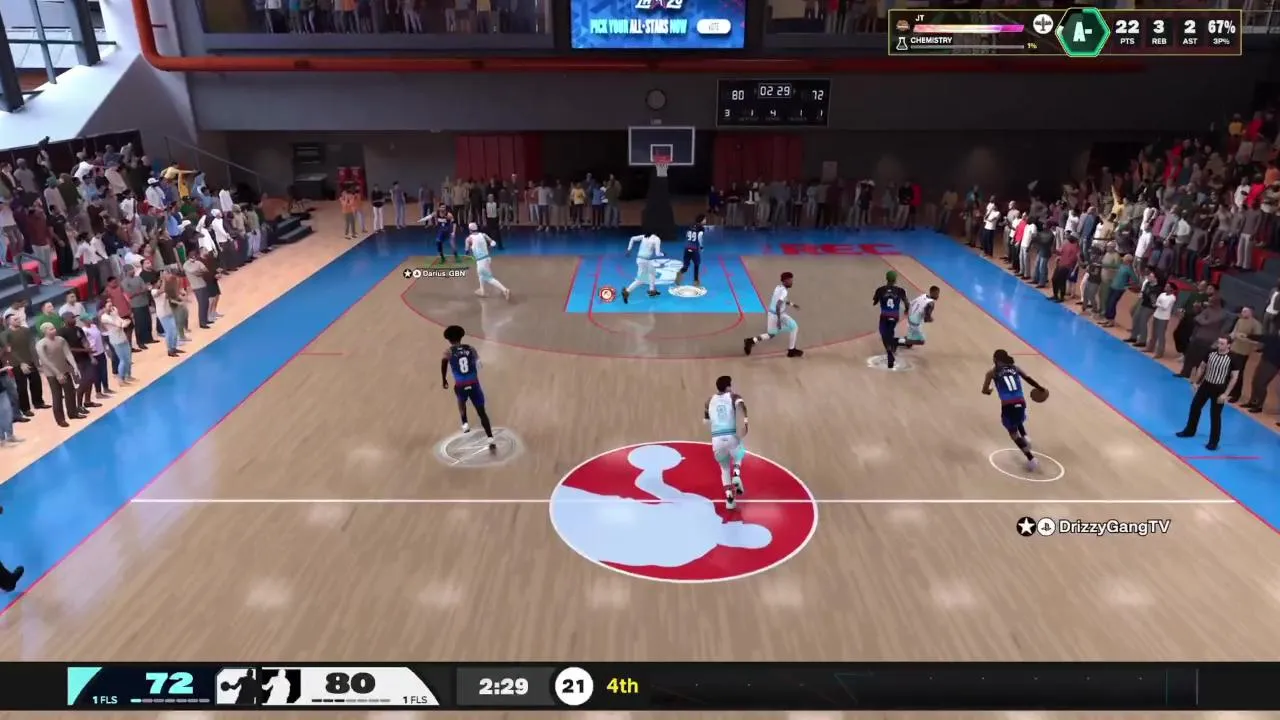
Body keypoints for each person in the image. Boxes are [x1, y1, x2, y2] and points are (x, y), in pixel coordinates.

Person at [981, 349, 1048, 472]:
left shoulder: (992, 372)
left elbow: (984, 390)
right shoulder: (1015, 368)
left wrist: (989, 391)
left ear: (995, 359)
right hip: (1021, 402)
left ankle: (1031, 459)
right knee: (1018, 418)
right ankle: (1025, 436)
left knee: (1013, 433)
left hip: (1007, 405)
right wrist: (1040, 388)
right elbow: (1028, 379)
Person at [1177, 336, 1240, 451]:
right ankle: (1190, 430)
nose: (1219, 345)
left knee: (1215, 415)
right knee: (1195, 407)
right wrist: (1196, 382)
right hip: (1206, 385)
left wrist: (1225, 394)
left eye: (1222, 343)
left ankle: (1213, 442)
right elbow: (1202, 367)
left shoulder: (1233, 358)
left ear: (1229, 345)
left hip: (1220, 388)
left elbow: (1234, 377)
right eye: (1219, 343)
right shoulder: (1211, 353)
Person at [440, 325, 496, 450]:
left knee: (460, 400)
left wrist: (444, 379)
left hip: (461, 385)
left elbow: (443, 363)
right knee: (481, 412)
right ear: (461, 337)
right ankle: (490, 437)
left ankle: (464, 423)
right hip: (474, 384)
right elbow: (479, 364)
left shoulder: (448, 352)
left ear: (449, 340)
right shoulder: (471, 349)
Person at [705, 375, 748, 510]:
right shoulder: (733, 397)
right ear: (728, 386)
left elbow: (706, 421)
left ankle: (729, 499)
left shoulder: (709, 400)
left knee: (724, 469)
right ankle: (736, 473)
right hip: (731, 436)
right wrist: (745, 422)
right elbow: (742, 406)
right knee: (740, 453)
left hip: (716, 439)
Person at [744, 271, 802, 358]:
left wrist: (792, 304)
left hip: (772, 314)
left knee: (772, 334)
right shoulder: (784, 291)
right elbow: (778, 305)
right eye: (790, 280)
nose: (792, 282)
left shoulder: (778, 287)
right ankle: (791, 350)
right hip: (778, 314)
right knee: (792, 327)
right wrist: (778, 320)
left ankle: (751, 340)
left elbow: (782, 301)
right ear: (785, 281)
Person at [872, 270, 909, 368]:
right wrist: (906, 310)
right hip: (895, 316)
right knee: (890, 332)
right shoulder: (900, 291)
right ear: (895, 280)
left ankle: (890, 353)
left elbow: (875, 302)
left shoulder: (880, 290)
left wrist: (879, 299)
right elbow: (906, 303)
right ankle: (896, 344)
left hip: (884, 315)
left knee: (884, 334)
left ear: (886, 278)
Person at [464, 223, 510, 300]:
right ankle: (482, 290)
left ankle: (505, 290)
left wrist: (470, 249)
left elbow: (466, 251)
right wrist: (488, 247)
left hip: (481, 261)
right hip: (487, 258)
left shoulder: (468, 239)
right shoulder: (483, 235)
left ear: (470, 230)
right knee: (481, 275)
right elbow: (493, 243)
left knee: (489, 278)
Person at [622, 232, 662, 303]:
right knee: (641, 280)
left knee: (652, 272)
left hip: (640, 259)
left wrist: (629, 249)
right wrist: (663, 254)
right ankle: (627, 291)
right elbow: (657, 253)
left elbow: (632, 238)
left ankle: (652, 290)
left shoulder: (644, 236)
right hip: (645, 261)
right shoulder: (657, 239)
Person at [674, 214, 706, 288]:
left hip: (687, 248)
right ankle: (696, 282)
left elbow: (687, 234)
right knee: (696, 265)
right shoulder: (701, 228)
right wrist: (701, 246)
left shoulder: (691, 225)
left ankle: (680, 273)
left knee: (686, 266)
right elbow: (700, 236)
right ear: (701, 220)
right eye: (704, 219)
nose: (705, 221)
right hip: (694, 249)